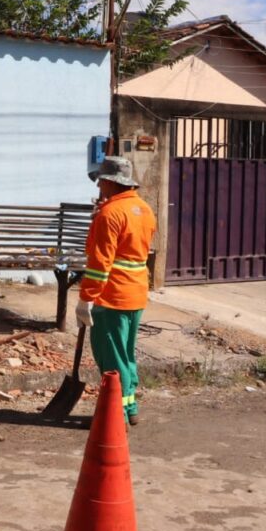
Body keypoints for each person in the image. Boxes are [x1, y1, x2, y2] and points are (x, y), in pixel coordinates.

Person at [75, 156, 157, 426]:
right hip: (135, 293)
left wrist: (86, 298)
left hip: (111, 296)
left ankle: (115, 416)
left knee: (111, 358)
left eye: (101, 181)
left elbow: (100, 263)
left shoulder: (110, 214)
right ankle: (129, 407)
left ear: (110, 182)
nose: (98, 186)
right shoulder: (144, 209)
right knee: (126, 354)